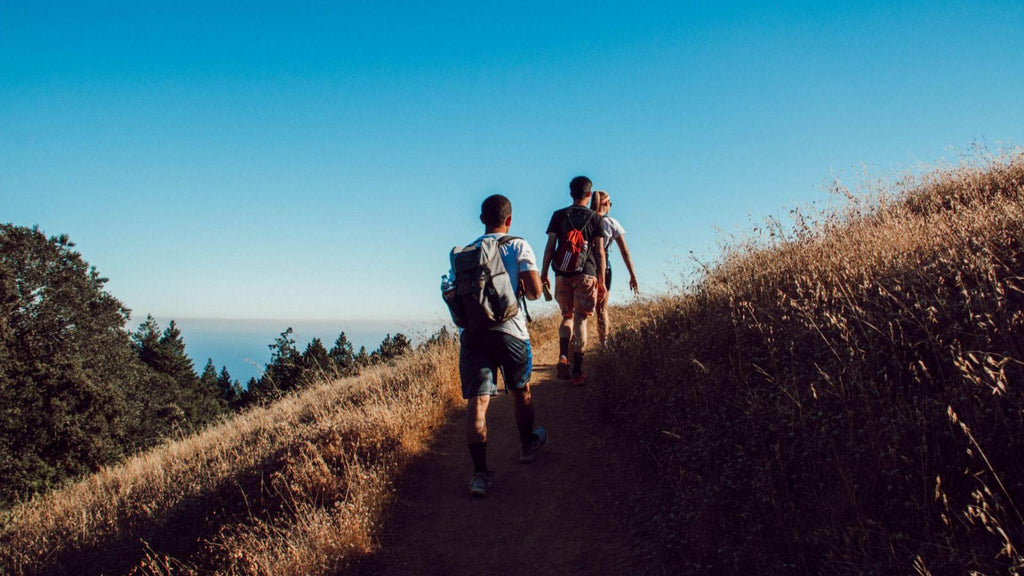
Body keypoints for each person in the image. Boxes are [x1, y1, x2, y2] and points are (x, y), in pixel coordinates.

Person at [447, 194, 547, 497]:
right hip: (511, 332)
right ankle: (527, 445)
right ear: (509, 219)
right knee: (521, 391)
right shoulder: (519, 245)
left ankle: (480, 475)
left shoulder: (466, 253)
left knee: (477, 404)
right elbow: (534, 293)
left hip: (474, 334)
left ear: (482, 219)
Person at [540, 176, 606, 384]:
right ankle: (577, 371)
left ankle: (563, 355)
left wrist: (544, 273)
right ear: (589, 194)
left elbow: (550, 246)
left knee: (566, 316)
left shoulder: (558, 215)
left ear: (570, 193)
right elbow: (600, 252)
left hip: (562, 273)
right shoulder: (596, 218)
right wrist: (602, 280)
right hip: (586, 273)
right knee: (581, 320)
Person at [589, 190, 639, 345]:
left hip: (585, 267)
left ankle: (575, 348)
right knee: (602, 309)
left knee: (579, 311)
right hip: (604, 268)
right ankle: (603, 344)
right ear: (605, 204)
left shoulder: (586, 219)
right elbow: (625, 251)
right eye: (610, 203)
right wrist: (632, 275)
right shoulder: (611, 223)